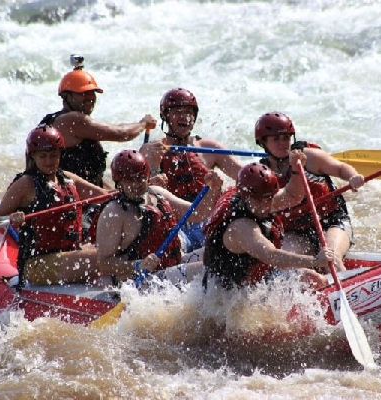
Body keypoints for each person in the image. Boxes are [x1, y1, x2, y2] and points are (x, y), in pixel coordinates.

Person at [0, 125, 125, 286]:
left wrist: (136, 188)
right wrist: (12, 218)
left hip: (70, 253)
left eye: (53, 155)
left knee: (118, 248)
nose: (49, 161)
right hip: (37, 265)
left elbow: (104, 196)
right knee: (103, 257)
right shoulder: (25, 184)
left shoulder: (67, 179)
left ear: (60, 154)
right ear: (33, 156)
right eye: (43, 156)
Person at [253, 111, 364, 272]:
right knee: (288, 266)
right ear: (263, 142)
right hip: (295, 232)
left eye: (286, 138)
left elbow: (340, 168)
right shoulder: (263, 173)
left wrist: (353, 177)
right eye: (276, 139)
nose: (282, 143)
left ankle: (349, 291)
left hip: (331, 221)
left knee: (331, 259)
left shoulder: (309, 157)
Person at [95, 149, 224, 283]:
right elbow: (104, 264)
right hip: (142, 279)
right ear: (119, 183)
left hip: (174, 264)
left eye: (141, 177)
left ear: (147, 175)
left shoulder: (157, 193)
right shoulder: (114, 213)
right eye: (129, 180)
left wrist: (213, 189)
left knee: (223, 254)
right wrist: (138, 265)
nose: (136, 184)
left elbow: (198, 214)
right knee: (212, 268)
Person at [139, 87, 243, 252]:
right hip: (175, 223)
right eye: (177, 112)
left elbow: (245, 175)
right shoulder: (150, 150)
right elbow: (141, 193)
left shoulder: (209, 148)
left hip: (207, 220)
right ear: (165, 116)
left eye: (188, 111)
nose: (184, 117)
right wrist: (153, 166)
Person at [203, 159, 333, 290]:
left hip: (255, 279)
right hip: (229, 293)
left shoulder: (257, 200)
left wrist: (295, 169)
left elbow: (292, 196)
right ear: (244, 197)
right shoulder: (241, 227)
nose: (265, 206)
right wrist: (315, 260)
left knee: (314, 279)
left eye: (269, 199)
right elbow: (272, 256)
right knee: (313, 279)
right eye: (260, 201)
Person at [39, 55, 157, 188]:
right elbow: (121, 133)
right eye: (83, 93)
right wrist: (143, 124)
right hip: (65, 199)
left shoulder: (68, 122)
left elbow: (95, 180)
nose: (90, 97)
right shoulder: (73, 120)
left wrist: (113, 193)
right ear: (66, 96)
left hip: (82, 193)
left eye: (92, 92)